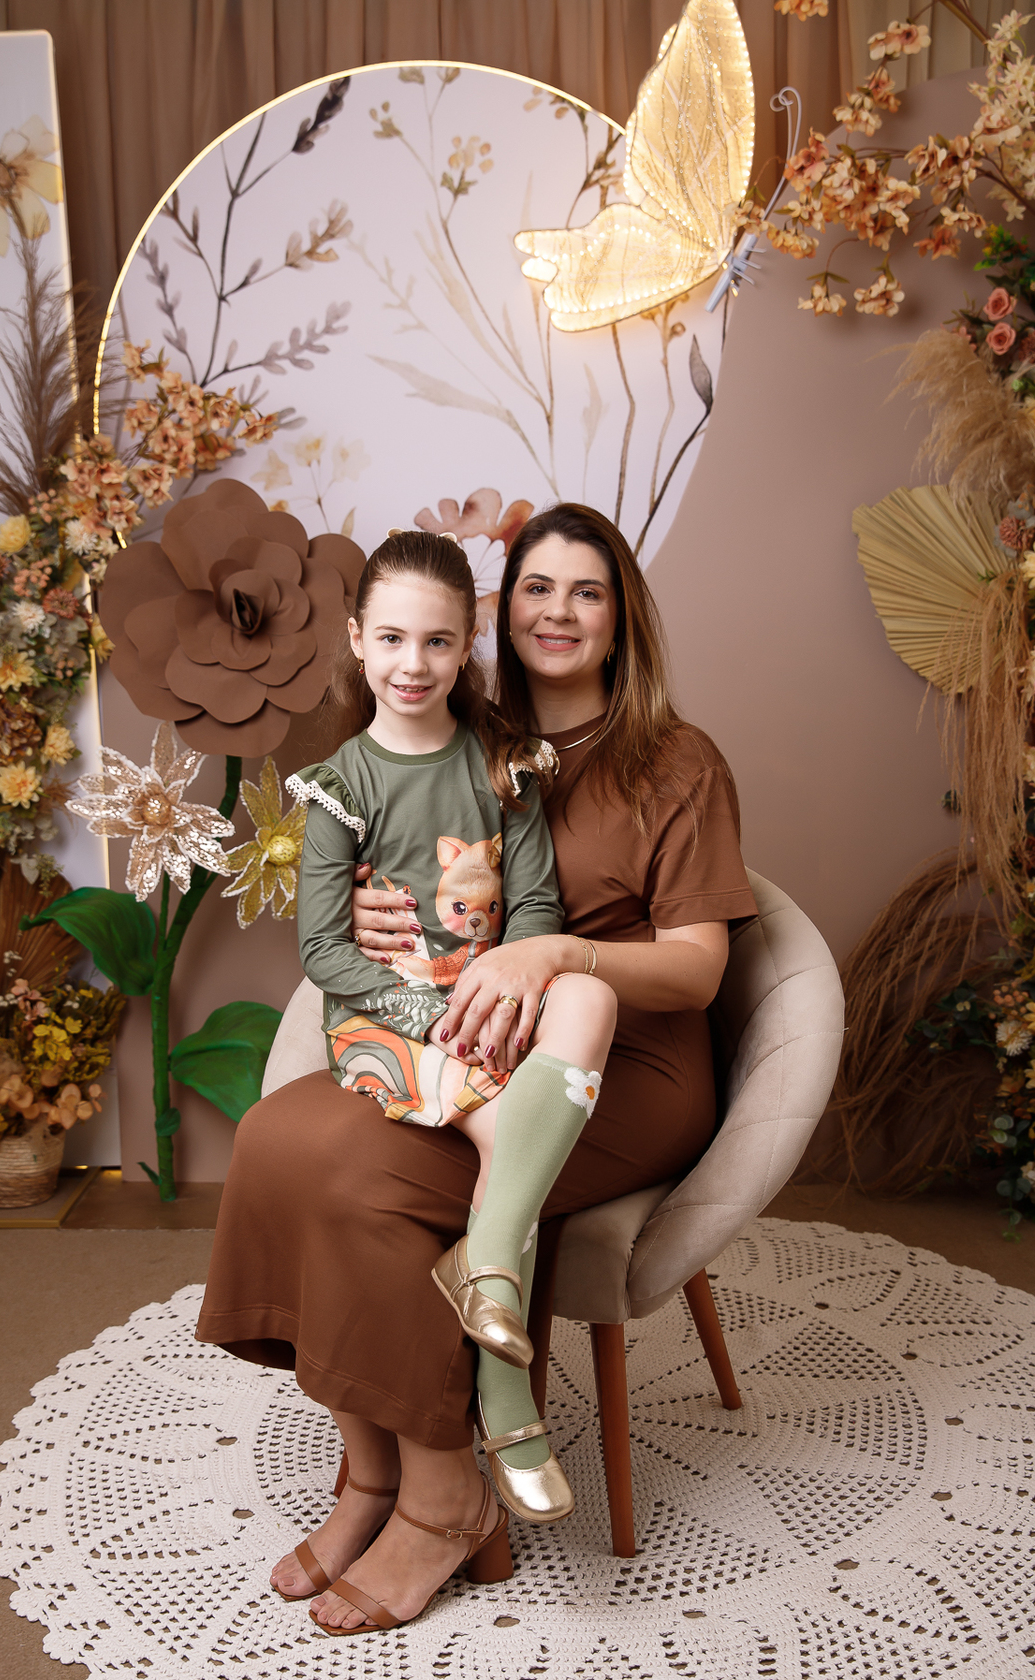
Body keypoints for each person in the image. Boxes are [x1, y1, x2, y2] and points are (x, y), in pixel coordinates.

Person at [195, 503, 757, 1635]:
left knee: (362, 1181)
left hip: (619, 1068)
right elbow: (387, 871)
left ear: (623, 616)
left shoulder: (677, 760)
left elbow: (698, 970)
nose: (560, 611)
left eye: (588, 591)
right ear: (501, 615)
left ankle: (446, 1496)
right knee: (277, 1139)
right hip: (466, 1034)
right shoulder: (465, 733)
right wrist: (373, 914)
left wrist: (557, 953)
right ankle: (371, 1476)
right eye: (539, 588)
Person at [285, 527, 617, 1543]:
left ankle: (489, 1279)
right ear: (357, 640)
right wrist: (430, 1012)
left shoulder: (504, 766)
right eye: (391, 639)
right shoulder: (341, 784)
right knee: (510, 1135)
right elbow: (323, 950)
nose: (413, 664)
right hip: (390, 1018)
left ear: (467, 641)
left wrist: (496, 991)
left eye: (436, 642)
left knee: (580, 1009)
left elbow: (535, 906)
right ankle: (509, 1405)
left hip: (484, 999)